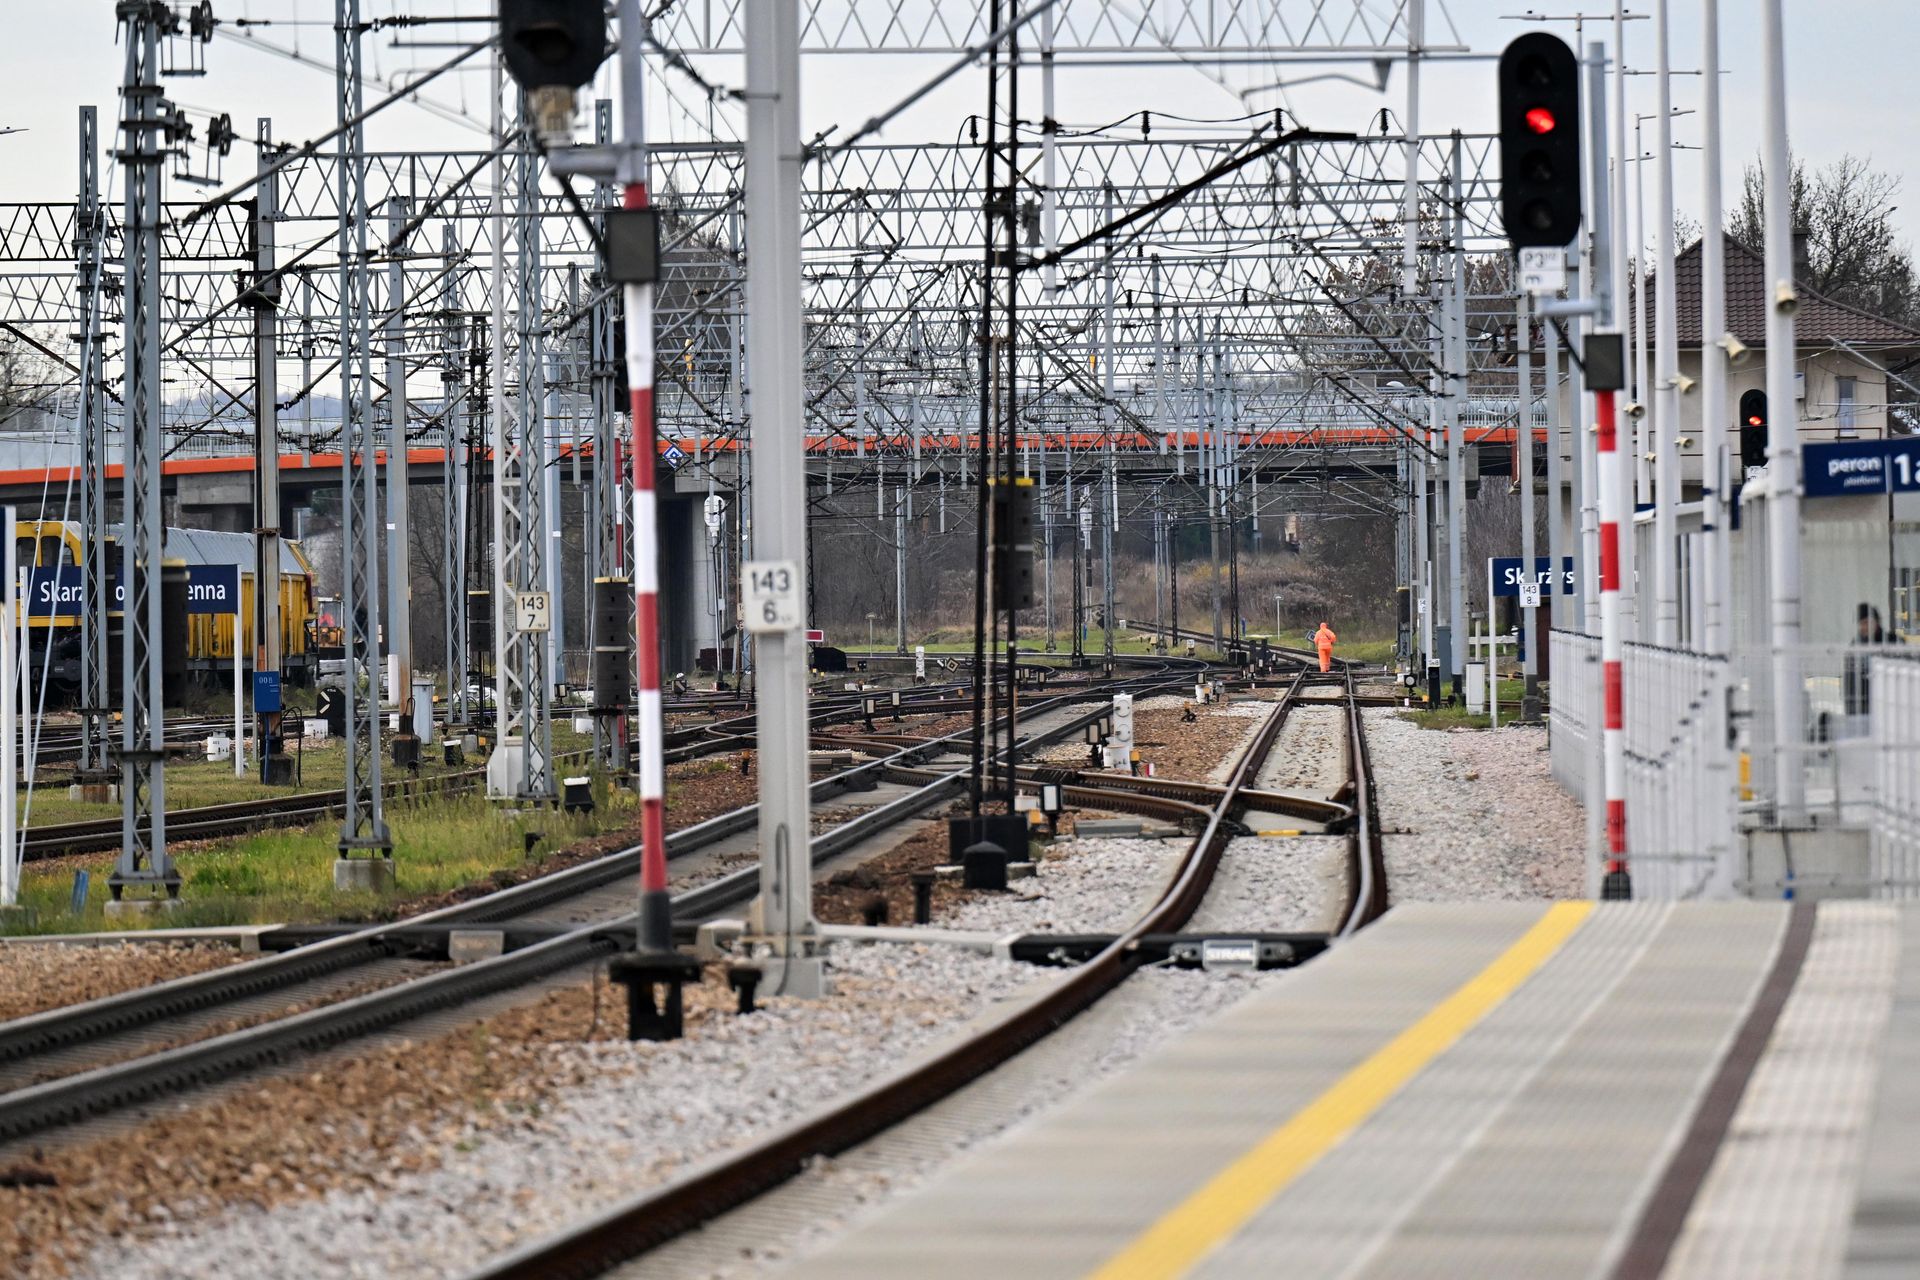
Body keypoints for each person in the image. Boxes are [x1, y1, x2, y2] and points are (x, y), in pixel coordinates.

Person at [1844, 602, 1886, 719]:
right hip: (1860, 708)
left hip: (1886, 704)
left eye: (1867, 622)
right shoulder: (1855, 647)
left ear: (1876, 622)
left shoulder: (1891, 642)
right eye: (1861, 623)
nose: (1863, 627)